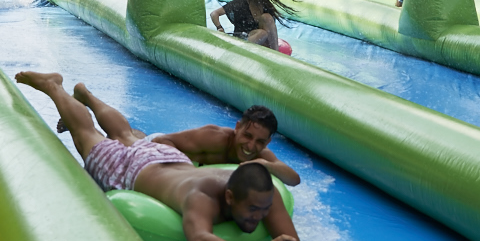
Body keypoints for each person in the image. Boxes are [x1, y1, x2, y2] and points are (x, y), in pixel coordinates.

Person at [15, 72, 302, 241]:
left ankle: (86, 95)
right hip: (135, 168)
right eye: (253, 211)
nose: (260, 217)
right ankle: (54, 86)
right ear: (229, 197)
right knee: (86, 135)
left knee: (127, 135)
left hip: (171, 163)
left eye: (262, 210)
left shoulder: (263, 192)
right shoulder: (201, 195)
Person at [58, 91, 300, 186]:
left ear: (267, 143)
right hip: (159, 150)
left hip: (167, 155)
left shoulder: (258, 155)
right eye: (247, 136)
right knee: (122, 137)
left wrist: (266, 165)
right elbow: (164, 143)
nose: (250, 146)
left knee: (132, 135)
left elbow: (294, 179)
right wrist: (185, 169)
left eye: (259, 142)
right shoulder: (213, 137)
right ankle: (85, 97)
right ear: (237, 128)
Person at [209, 0, 295, 50]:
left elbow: (270, 30)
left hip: (261, 40)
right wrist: (219, 28)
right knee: (262, 33)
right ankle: (240, 50)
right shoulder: (242, 2)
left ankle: (275, 54)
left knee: (267, 18)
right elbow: (214, 13)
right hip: (243, 37)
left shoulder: (267, 7)